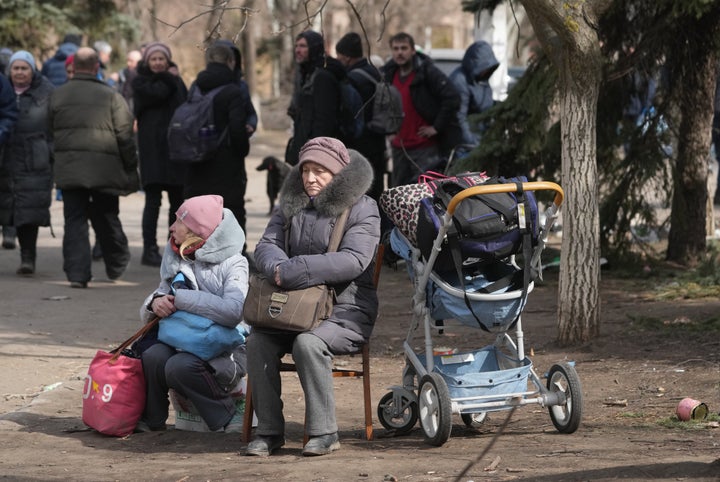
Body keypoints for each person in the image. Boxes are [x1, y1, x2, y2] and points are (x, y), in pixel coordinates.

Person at [246, 136, 380, 457]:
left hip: (345, 310)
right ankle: (268, 432)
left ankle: (325, 432)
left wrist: (294, 269)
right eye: (305, 170)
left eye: (319, 171)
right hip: (293, 308)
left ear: (337, 174)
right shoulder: (290, 204)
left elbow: (353, 260)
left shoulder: (363, 208)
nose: (309, 178)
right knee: (257, 342)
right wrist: (277, 266)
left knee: (308, 343)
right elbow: (266, 245)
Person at [137, 194, 250, 433]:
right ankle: (152, 420)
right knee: (153, 355)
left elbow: (233, 311)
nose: (171, 227)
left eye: (179, 221)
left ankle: (227, 416)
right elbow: (160, 292)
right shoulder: (178, 255)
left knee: (179, 366)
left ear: (196, 229)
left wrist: (183, 300)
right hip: (182, 339)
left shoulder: (235, 263)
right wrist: (155, 304)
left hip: (226, 348)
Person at [48, 47, 139, 288]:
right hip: (105, 171)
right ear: (96, 67)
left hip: (70, 171)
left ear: (74, 67)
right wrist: (130, 168)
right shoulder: (111, 96)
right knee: (107, 216)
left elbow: (47, 132)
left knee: (74, 220)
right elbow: (125, 136)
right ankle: (116, 263)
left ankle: (78, 274)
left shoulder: (57, 95)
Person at [182, 42, 251, 248]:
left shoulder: (196, 87)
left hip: (197, 159)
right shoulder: (233, 91)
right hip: (226, 161)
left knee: (200, 210)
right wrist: (242, 150)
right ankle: (235, 253)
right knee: (231, 210)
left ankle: (197, 251)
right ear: (230, 62)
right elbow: (238, 129)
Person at [132, 41, 188, 267]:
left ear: (167, 61)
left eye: (161, 59)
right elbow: (158, 93)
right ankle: (149, 249)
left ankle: (173, 247)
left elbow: (185, 103)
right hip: (152, 150)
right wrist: (170, 77)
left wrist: (175, 79)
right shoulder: (140, 82)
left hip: (174, 149)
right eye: (153, 59)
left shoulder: (177, 81)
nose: (157, 63)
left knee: (177, 205)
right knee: (152, 202)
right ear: (147, 61)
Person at [383, 32, 462, 187]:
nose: (399, 52)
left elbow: (452, 98)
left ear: (413, 51)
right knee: (399, 194)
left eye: (404, 48)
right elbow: (383, 104)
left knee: (426, 193)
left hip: (424, 148)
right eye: (396, 49)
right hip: (399, 147)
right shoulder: (388, 74)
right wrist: (389, 131)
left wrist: (436, 127)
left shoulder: (427, 72)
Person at [0, 51, 50, 273]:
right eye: (15, 68)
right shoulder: (4, 89)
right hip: (5, 157)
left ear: (33, 70)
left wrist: (49, 151)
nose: (19, 72)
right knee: (5, 206)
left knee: (29, 212)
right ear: (9, 70)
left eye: (24, 68)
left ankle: (28, 258)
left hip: (33, 160)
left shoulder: (47, 92)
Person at [335, 32, 388, 201]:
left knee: (360, 195)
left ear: (347, 57)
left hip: (360, 143)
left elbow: (350, 114)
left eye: (339, 56)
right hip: (379, 140)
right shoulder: (376, 72)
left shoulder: (352, 79)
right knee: (377, 190)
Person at [285, 30, 343, 166]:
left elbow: (324, 121)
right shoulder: (306, 74)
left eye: (303, 46)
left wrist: (314, 153)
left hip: (316, 153)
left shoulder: (323, 77)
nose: (298, 50)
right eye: (296, 46)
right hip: (304, 146)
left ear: (314, 48)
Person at [448, 40, 499, 149]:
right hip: (465, 144)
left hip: (481, 136)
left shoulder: (481, 79)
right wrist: (473, 144)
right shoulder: (459, 81)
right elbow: (459, 118)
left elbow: (485, 104)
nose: (486, 71)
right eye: (484, 67)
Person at [211, 39, 258, 136]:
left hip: (236, 144)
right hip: (210, 142)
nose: (230, 62)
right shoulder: (202, 84)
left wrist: (251, 124)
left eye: (232, 59)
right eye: (224, 59)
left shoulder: (242, 86)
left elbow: (251, 113)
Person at [0, 64, 18, 250]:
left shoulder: (2, 83)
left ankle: (9, 230)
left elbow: (8, 113)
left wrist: (1, 132)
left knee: (5, 191)